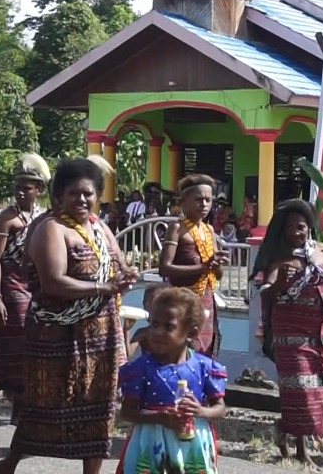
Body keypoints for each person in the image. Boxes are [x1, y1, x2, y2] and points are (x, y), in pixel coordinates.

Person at [0, 158, 140, 474]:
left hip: (101, 334)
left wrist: (125, 276)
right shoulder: (51, 228)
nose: (82, 200)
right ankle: (9, 464)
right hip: (55, 336)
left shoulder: (99, 227)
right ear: (59, 195)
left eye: (89, 193)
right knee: (44, 406)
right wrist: (104, 287)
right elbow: (53, 282)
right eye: (74, 193)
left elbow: (118, 265)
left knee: (101, 406)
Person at [252, 198, 323, 465]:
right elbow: (267, 293)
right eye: (289, 228)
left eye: (299, 227)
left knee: (322, 390)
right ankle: (302, 451)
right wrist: (279, 283)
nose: (294, 232)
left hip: (322, 336)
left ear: (309, 227)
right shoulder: (280, 260)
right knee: (301, 392)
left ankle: (283, 427)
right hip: (292, 338)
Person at [116, 286, 228, 474]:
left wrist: (201, 411)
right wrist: (159, 418)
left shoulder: (204, 367)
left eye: (169, 327)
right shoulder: (141, 368)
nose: (158, 332)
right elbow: (127, 412)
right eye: (154, 324)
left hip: (192, 447)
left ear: (191, 333)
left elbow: (220, 408)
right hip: (150, 446)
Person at [0, 153, 49, 419]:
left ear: (39, 190)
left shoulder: (41, 217)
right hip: (11, 285)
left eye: (27, 188)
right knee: (17, 342)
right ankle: (17, 400)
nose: (21, 192)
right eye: (18, 187)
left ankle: (26, 403)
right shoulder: (7, 218)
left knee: (35, 340)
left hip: (33, 283)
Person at [158, 174, 229, 357]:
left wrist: (216, 265)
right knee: (185, 350)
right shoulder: (177, 228)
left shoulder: (208, 230)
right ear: (184, 201)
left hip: (206, 299)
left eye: (208, 200)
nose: (204, 204)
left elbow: (217, 274)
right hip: (183, 301)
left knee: (205, 351)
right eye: (198, 199)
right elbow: (164, 268)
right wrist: (204, 268)